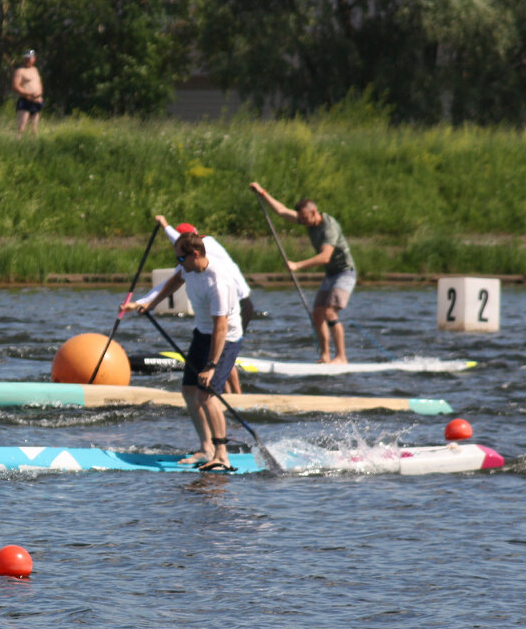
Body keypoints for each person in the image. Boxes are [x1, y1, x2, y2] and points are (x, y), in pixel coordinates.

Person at [121, 231, 243, 472]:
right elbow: (173, 282)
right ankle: (206, 448)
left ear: (195, 255)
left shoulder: (219, 282)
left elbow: (220, 328)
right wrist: (150, 304)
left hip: (225, 339)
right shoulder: (188, 269)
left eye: (180, 258)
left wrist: (211, 366)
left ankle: (222, 455)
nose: (178, 263)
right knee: (188, 390)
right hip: (202, 333)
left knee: (206, 395)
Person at [249, 182, 357, 363]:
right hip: (330, 275)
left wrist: (297, 266)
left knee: (330, 313)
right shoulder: (308, 219)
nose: (303, 222)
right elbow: (282, 211)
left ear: (314, 212)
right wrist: (262, 192)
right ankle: (325, 356)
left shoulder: (329, 227)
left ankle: (341, 357)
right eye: (301, 218)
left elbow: (325, 257)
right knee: (317, 313)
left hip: (345, 273)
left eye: (305, 218)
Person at [155, 216, 254, 393]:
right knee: (214, 354)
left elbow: (221, 330)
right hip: (217, 312)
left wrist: (164, 224)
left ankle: (236, 397)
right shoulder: (192, 257)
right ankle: (224, 394)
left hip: (239, 304)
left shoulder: (207, 248)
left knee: (221, 351)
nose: (178, 262)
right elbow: (175, 276)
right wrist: (163, 224)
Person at [13, 50, 44, 136]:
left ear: (34, 59)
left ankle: (32, 143)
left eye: (29, 58)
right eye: (26, 58)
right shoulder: (20, 71)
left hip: (36, 101)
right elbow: (16, 87)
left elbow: (39, 83)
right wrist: (29, 94)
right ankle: (17, 142)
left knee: (34, 130)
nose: (27, 60)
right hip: (25, 101)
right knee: (21, 128)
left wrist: (39, 95)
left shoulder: (35, 70)